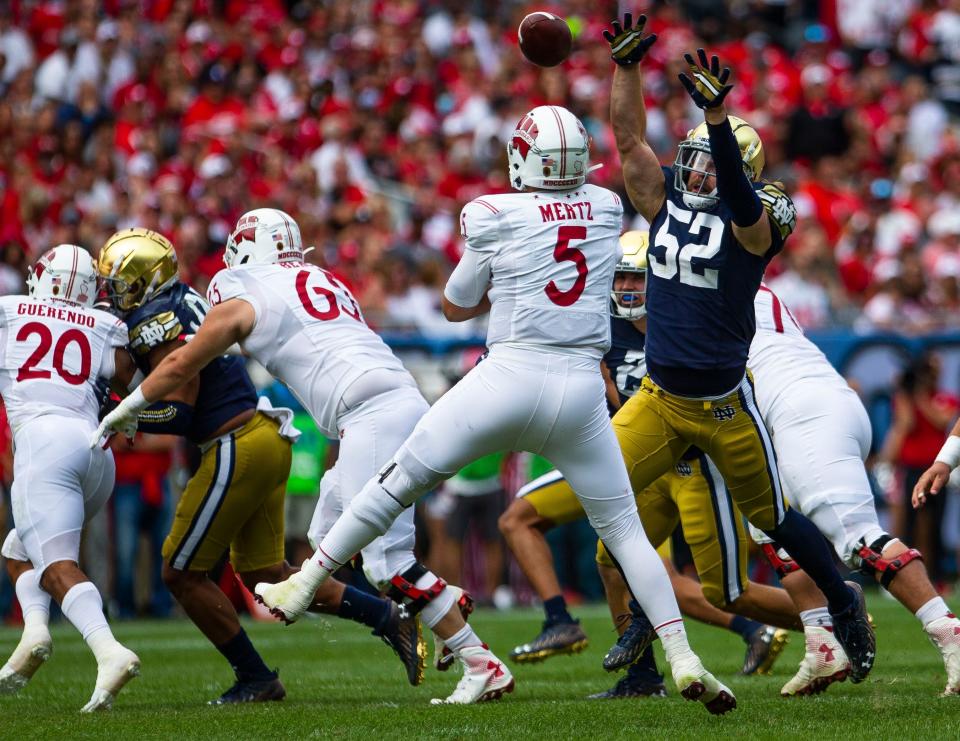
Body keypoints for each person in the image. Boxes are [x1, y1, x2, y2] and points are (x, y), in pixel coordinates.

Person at [232, 107, 735, 712]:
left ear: (525, 157)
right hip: (579, 386)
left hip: (510, 374)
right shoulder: (605, 208)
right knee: (625, 532)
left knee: (395, 483)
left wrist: (502, 270)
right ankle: (683, 656)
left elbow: (456, 303)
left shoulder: (492, 212)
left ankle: (307, 579)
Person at [94, 210, 498, 705]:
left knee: (385, 561)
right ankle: (442, 601)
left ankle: (479, 660)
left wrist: (128, 408)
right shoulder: (318, 276)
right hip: (384, 402)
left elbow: (183, 361)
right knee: (324, 539)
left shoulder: (242, 285)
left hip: (371, 411)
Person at [602, 15, 875, 681]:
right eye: (690, 156)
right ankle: (643, 623)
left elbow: (750, 219)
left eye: (706, 159)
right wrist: (627, 69)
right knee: (599, 493)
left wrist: (719, 121)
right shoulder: (666, 202)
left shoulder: (760, 215)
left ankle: (844, 600)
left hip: (725, 406)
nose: (692, 170)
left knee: (774, 516)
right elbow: (629, 137)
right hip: (659, 398)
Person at [499, 232, 795, 700]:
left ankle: (832, 615)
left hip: (699, 466)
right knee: (611, 559)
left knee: (727, 592)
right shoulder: (604, 329)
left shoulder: (686, 324)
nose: (629, 288)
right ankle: (640, 676)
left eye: (638, 277)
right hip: (647, 466)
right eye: (621, 277)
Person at [744, 287, 960, 697]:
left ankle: (951, 635)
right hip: (806, 407)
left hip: (801, 414)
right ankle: (822, 643)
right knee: (770, 526)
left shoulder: (696, 298)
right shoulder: (751, 289)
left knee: (859, 540)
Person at [0, 244, 140, 711]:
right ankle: (34, 634)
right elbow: (126, 383)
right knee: (20, 549)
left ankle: (109, 651)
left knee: (58, 565)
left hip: (44, 444)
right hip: (96, 449)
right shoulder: (105, 324)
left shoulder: (9, 311)